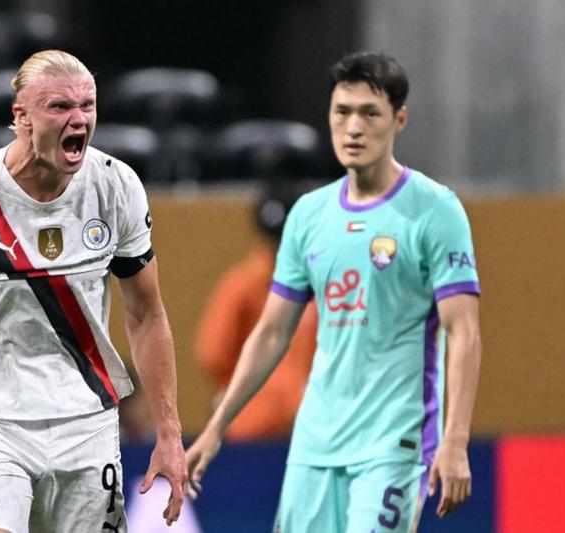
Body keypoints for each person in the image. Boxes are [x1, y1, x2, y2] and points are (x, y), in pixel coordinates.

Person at [186, 51, 482, 532]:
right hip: (315, 443)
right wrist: (217, 427)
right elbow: (271, 332)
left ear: (399, 120)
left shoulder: (435, 210)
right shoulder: (309, 215)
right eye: (342, 112)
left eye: (370, 113)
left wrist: (455, 439)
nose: (354, 127)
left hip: (393, 442)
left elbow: (463, 331)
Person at [0, 49, 186, 532]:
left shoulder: (116, 187)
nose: (79, 119)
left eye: (87, 106)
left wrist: (169, 432)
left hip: (86, 423)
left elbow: (146, 313)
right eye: (60, 107)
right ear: (22, 116)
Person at [194, 182, 318, 441]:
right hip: (259, 425)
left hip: (288, 423)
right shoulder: (243, 286)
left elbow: (213, 354)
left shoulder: (244, 283)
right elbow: (212, 354)